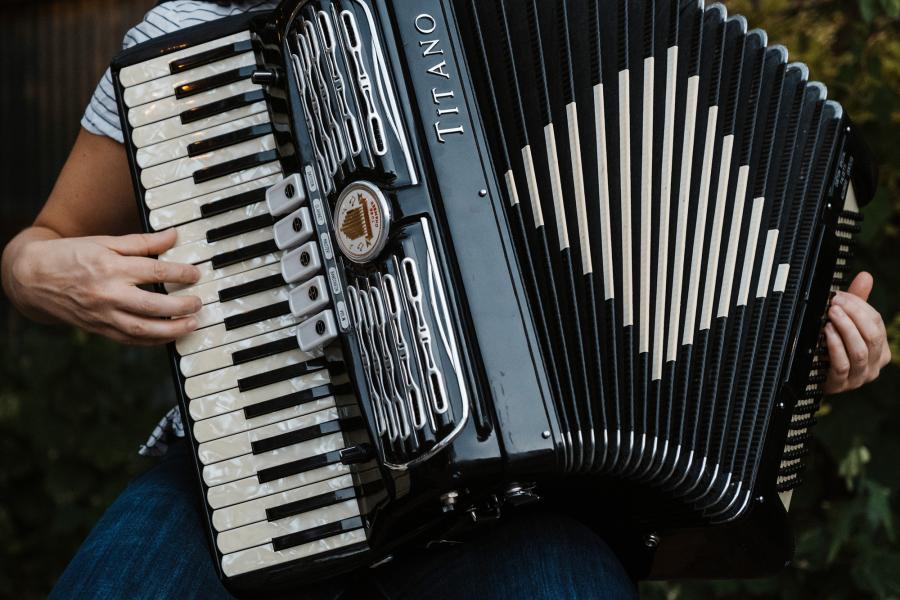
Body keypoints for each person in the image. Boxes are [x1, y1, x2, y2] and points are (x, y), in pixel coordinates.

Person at [0, 1, 891, 599]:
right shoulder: (198, 32)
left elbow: (710, 238)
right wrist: (35, 272)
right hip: (243, 466)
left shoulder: (565, 28)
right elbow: (45, 241)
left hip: (516, 514)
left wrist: (808, 350)